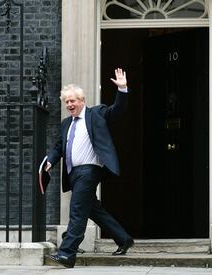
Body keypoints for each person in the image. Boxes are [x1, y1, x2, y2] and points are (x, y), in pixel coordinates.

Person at [45, 68, 134, 268]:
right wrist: (50, 161)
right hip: (73, 173)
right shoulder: (66, 123)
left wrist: (122, 89)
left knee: (77, 210)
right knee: (93, 210)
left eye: (72, 101)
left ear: (82, 100)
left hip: (89, 171)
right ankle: (123, 239)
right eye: (66, 102)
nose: (69, 104)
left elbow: (117, 110)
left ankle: (67, 254)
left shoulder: (97, 114)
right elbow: (60, 146)